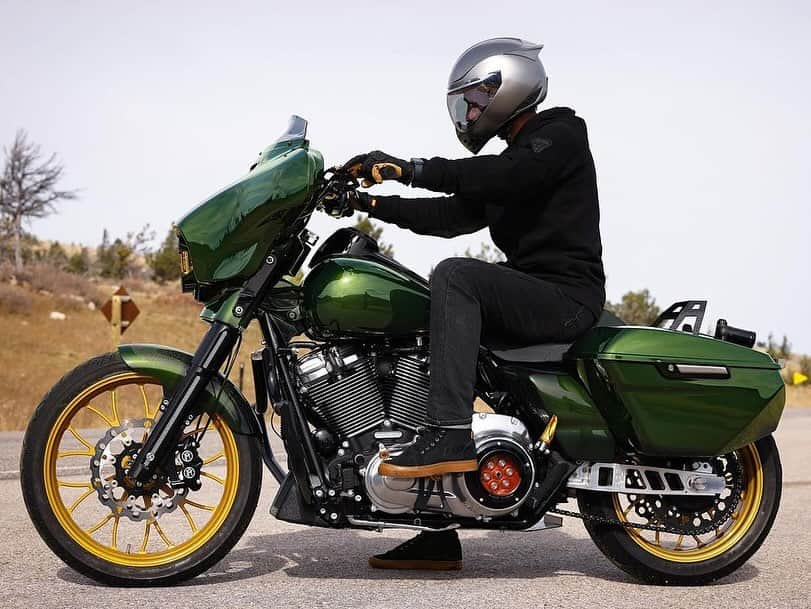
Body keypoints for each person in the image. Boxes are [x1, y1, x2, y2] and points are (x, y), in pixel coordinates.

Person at [345, 37, 605, 570]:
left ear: (509, 87)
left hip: (565, 296)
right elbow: (449, 217)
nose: (469, 113)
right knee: (419, 326)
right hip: (530, 291)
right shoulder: (512, 163)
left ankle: (449, 436)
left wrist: (407, 167)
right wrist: (366, 202)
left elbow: (503, 178)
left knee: (457, 277)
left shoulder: (559, 135)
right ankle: (435, 525)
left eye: (476, 100)